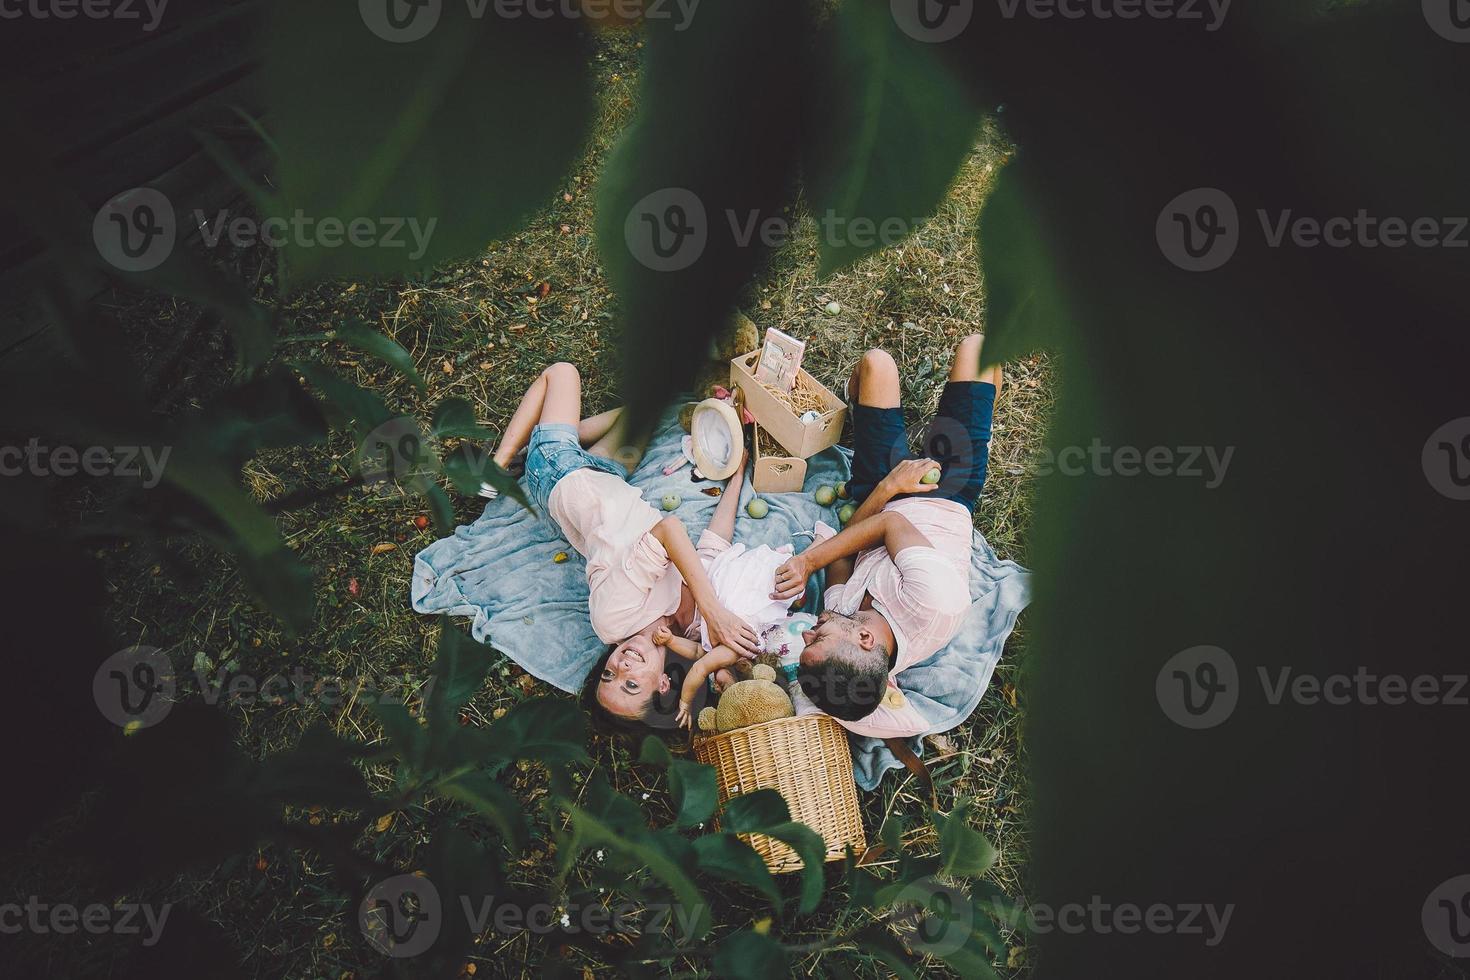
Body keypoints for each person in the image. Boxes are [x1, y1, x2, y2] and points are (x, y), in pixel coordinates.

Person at [485, 362, 762, 734]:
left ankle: (502, 461)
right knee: (653, 411)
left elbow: (670, 528)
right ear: (664, 686)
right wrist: (739, 474)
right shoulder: (687, 630)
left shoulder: (613, 618)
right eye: (630, 683)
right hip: (610, 477)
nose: (621, 666)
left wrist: (713, 611)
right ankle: (543, 436)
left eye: (609, 676)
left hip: (563, 476)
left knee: (562, 373)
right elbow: (714, 545)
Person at [770, 334, 1003, 738]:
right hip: (948, 493)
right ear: (864, 640)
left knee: (876, 363)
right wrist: (809, 561)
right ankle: (982, 414)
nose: (809, 629)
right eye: (817, 637)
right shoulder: (933, 605)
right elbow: (890, 526)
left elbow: (844, 549)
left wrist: (885, 488)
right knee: (978, 348)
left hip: (882, 492)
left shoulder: (842, 615)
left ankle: (867, 403)